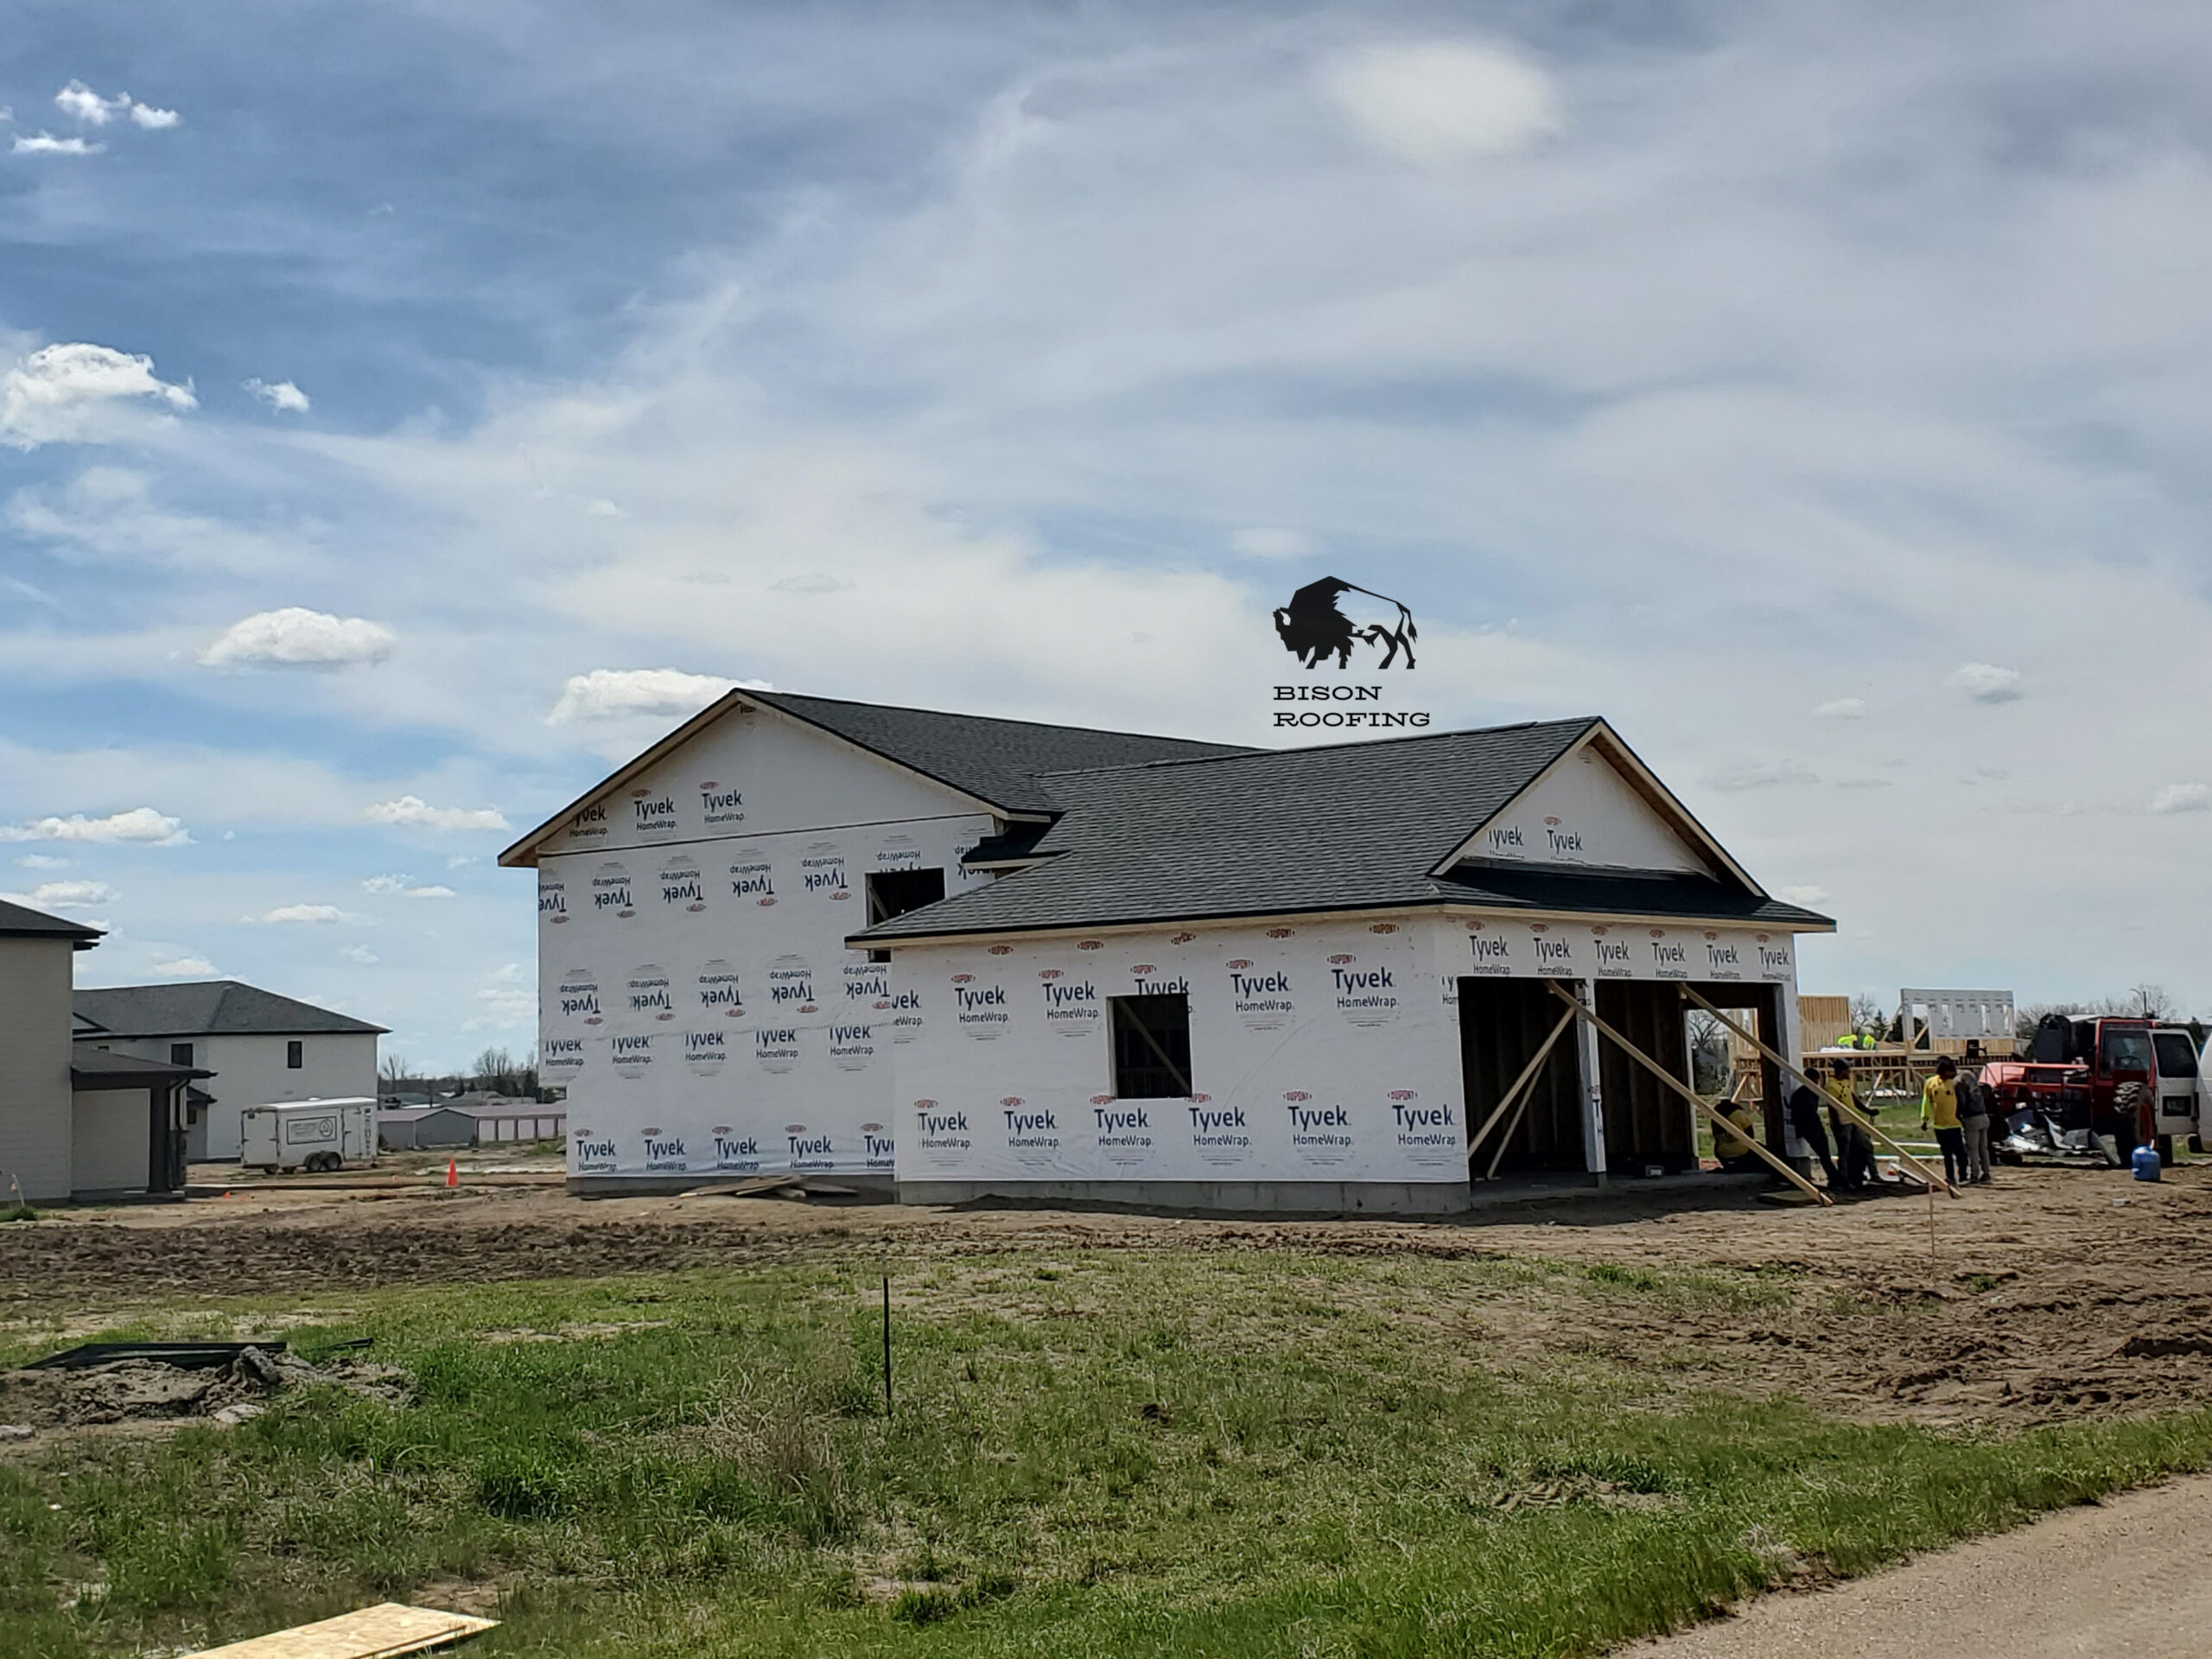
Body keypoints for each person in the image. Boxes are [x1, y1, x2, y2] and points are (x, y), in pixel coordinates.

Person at [1826, 1058, 1884, 1189]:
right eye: (1848, 1070)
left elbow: (1854, 1099)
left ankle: (1874, 1174)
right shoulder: (1831, 1086)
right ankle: (1844, 1179)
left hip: (1854, 1120)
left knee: (1866, 1145)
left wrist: (1868, 1111)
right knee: (1844, 1153)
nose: (1850, 1072)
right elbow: (1832, 1107)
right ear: (1841, 1071)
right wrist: (1838, 1124)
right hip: (1842, 1123)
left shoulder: (1847, 1082)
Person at [1787, 1077, 1841, 1188]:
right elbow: (1808, 1112)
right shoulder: (1808, 1093)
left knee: (1824, 1153)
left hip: (1811, 1126)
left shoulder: (1803, 1093)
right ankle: (1835, 1178)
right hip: (1811, 1126)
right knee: (1824, 1153)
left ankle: (1835, 1177)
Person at [1922, 1055, 1965, 1189]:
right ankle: (1950, 1176)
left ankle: (1963, 1174)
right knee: (1946, 1153)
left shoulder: (1955, 1084)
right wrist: (1924, 1119)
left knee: (1959, 1152)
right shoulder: (1931, 1083)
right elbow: (1926, 1102)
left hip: (1955, 1124)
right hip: (1939, 1125)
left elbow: (1962, 1101)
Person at [1956, 1063, 1992, 1185]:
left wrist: (1959, 1115)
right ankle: (1986, 1173)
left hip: (1971, 1118)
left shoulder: (1960, 1084)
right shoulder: (1976, 1086)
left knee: (1973, 1149)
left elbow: (1962, 1102)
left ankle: (1974, 1175)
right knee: (1984, 1148)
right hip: (1983, 1115)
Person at [1713, 1095, 1764, 1173]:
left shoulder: (1715, 1116)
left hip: (1722, 1152)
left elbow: (1715, 1135)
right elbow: (1750, 1133)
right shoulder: (1739, 1114)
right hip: (1742, 1151)